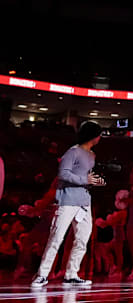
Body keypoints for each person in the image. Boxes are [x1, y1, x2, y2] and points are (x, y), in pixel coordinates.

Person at [31, 121, 106, 288]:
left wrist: (94, 182)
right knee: (56, 238)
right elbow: (63, 174)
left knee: (82, 239)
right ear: (93, 135)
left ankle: (72, 274)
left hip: (84, 202)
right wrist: (83, 180)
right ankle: (42, 274)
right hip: (67, 201)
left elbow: (86, 177)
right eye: (99, 134)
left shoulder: (92, 155)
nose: (100, 137)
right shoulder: (72, 152)